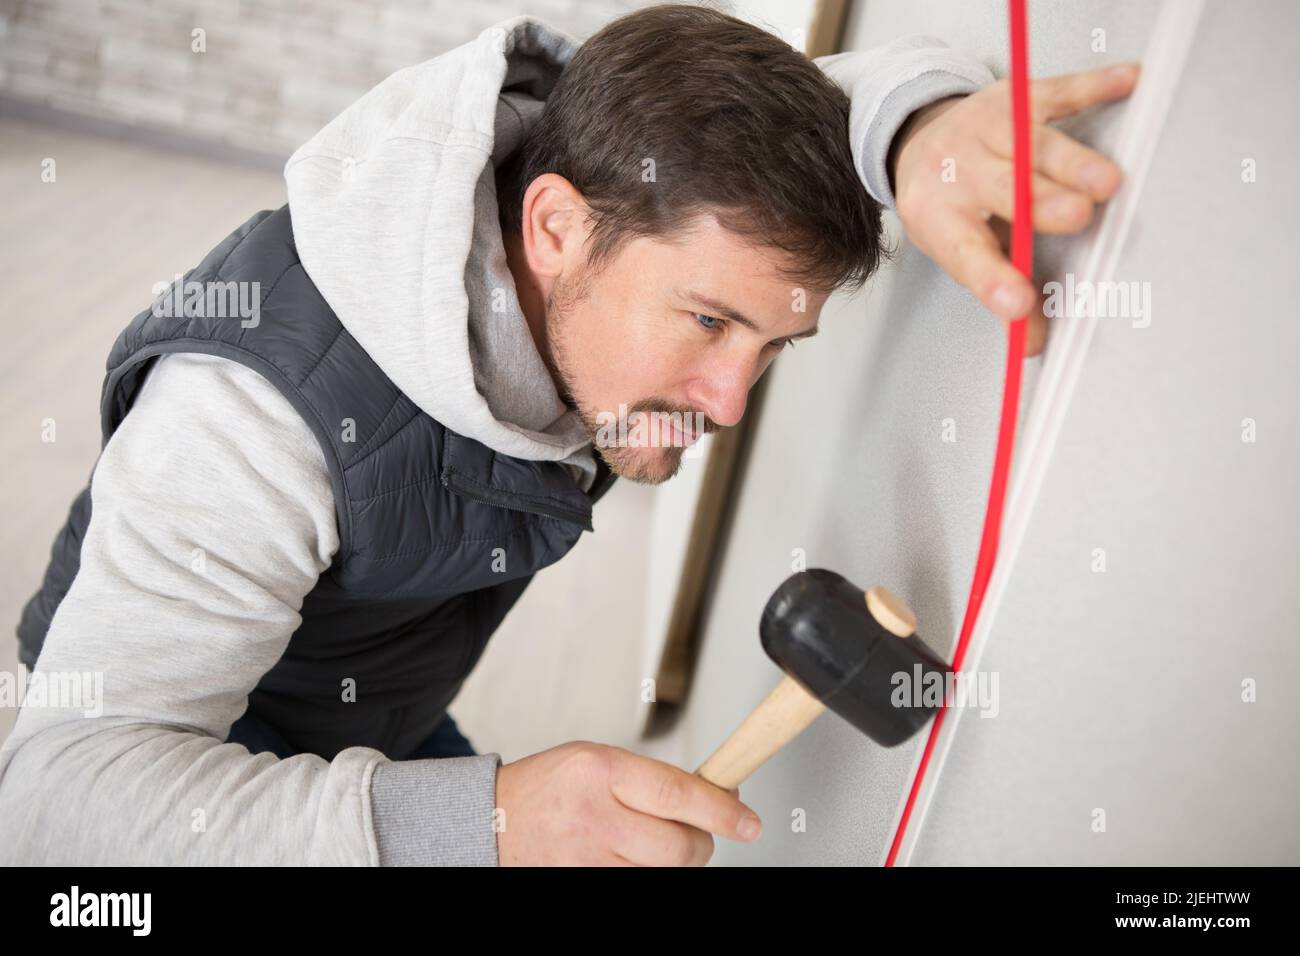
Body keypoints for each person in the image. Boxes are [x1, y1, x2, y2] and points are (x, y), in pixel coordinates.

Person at [0, 5, 1135, 865]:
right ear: (552, 230)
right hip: (183, 764)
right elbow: (59, 796)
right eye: (708, 321)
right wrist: (483, 818)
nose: (729, 401)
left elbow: (828, 105)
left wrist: (921, 134)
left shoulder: (628, 192)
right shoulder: (251, 420)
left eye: (772, 343)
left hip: (369, 703)